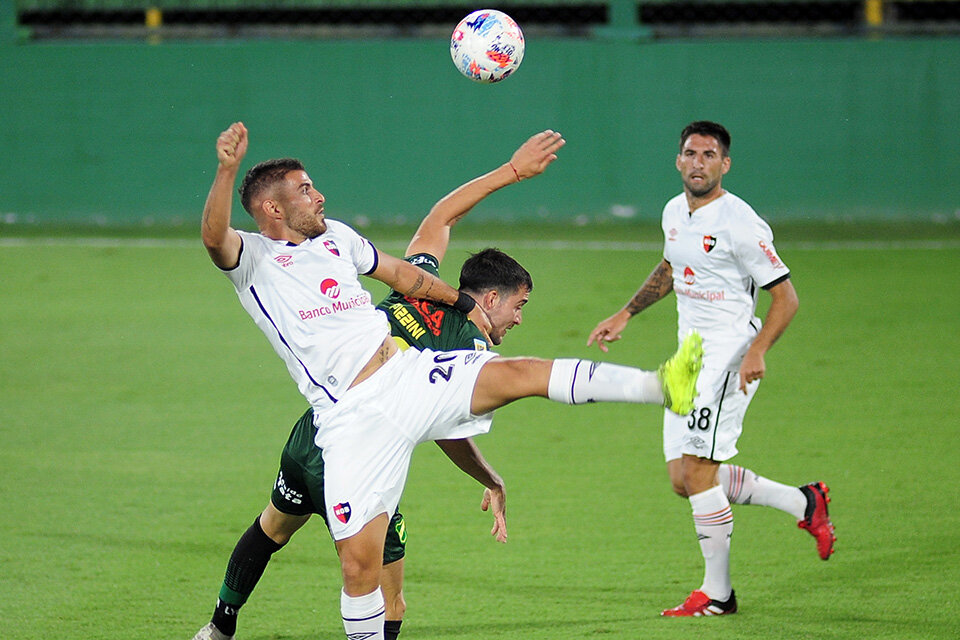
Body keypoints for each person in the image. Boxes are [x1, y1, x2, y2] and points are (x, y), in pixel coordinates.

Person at [198, 121, 702, 640]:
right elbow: (214, 237)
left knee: (520, 372)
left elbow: (401, 274)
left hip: (406, 375)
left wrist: (457, 297)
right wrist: (227, 170)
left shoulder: (338, 239)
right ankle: (224, 623)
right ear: (273, 210)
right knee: (359, 569)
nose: (319, 194)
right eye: (305, 190)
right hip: (347, 420)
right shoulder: (253, 260)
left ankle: (662, 384)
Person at [588, 121, 835, 617]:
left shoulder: (740, 223)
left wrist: (756, 350)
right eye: (690, 153)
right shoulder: (673, 212)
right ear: (678, 160)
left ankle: (718, 594)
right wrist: (626, 312)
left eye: (708, 154)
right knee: (683, 478)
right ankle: (804, 503)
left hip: (727, 359)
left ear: (724, 164)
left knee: (700, 474)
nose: (698, 162)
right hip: (689, 359)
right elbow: (671, 267)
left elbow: (786, 297)